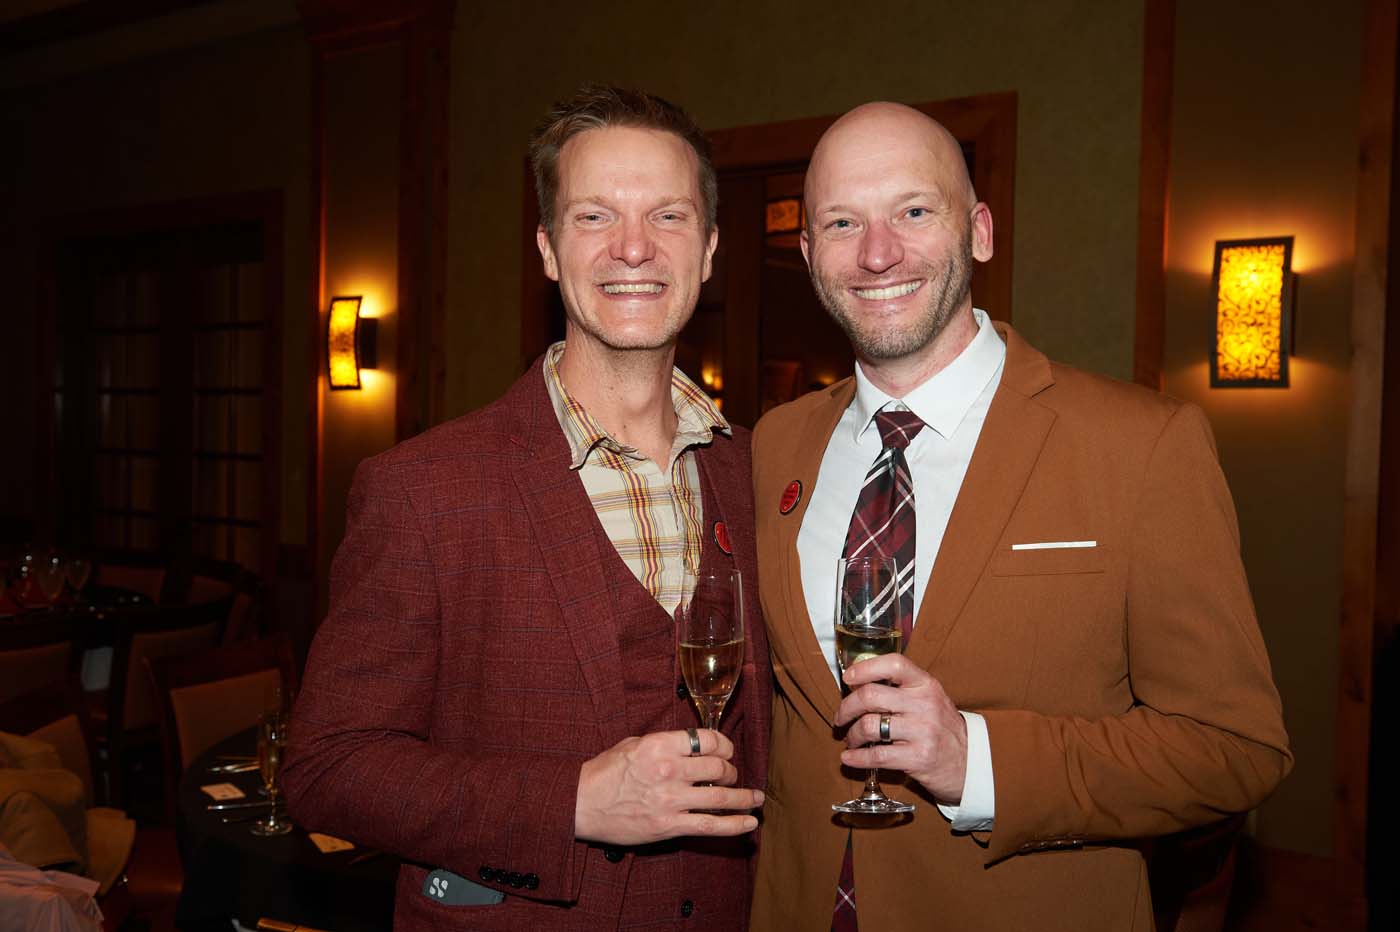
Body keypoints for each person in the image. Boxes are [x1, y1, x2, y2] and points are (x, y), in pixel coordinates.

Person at [748, 101, 1292, 932]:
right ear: (812, 253)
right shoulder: (776, 444)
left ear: (980, 231)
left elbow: (1235, 749)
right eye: (843, 222)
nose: (879, 251)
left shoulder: (1142, 445)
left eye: (914, 211)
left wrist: (980, 761)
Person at [283, 85, 770, 931]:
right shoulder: (423, 489)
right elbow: (326, 767)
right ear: (548, 250)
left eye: (668, 216)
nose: (632, 248)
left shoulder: (763, 470)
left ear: (710, 248)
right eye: (593, 217)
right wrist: (570, 801)